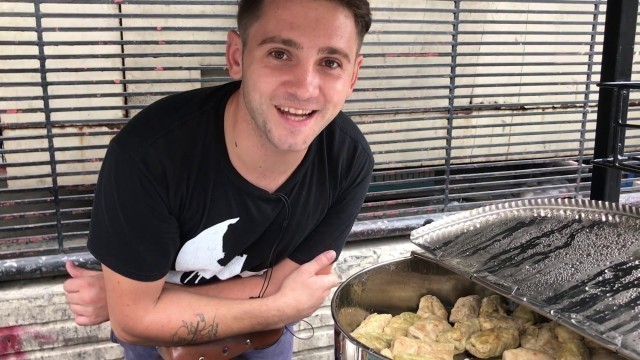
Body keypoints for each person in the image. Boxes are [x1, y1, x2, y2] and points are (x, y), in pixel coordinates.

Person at [63, 0, 373, 359]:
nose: (305, 88)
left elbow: (296, 283)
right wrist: (280, 308)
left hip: (262, 340)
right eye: (280, 54)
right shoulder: (149, 156)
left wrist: (140, 300)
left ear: (353, 76)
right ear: (237, 56)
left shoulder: (347, 161)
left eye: (330, 62)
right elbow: (134, 323)